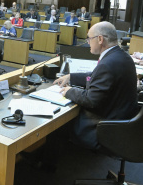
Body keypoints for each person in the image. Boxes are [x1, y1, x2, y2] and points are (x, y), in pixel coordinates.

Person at [54, 22, 138, 150]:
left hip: (105, 126)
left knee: (58, 125)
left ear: (100, 39)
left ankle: (47, 160)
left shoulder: (107, 64)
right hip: (121, 119)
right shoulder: (121, 56)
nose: (87, 42)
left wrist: (69, 91)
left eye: (89, 38)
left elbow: (91, 100)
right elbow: (96, 77)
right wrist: (71, 77)